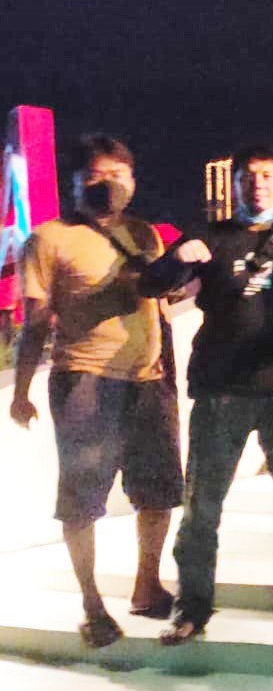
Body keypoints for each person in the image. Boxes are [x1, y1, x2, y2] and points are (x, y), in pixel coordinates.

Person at [138, 145, 273, 644]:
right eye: (248, 176)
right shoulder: (209, 235)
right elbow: (150, 286)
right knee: (202, 510)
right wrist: (175, 258)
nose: (257, 183)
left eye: (267, 175)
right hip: (221, 394)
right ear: (235, 185)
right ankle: (192, 607)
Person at [10, 134, 183, 648]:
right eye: (95, 175)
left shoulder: (145, 233)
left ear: (133, 180)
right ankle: (91, 603)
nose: (108, 183)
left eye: (119, 174)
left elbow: (161, 303)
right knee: (82, 498)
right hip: (86, 382)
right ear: (75, 182)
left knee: (158, 491)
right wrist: (21, 390)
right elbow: (35, 321)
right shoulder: (48, 239)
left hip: (149, 381)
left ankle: (148, 585)